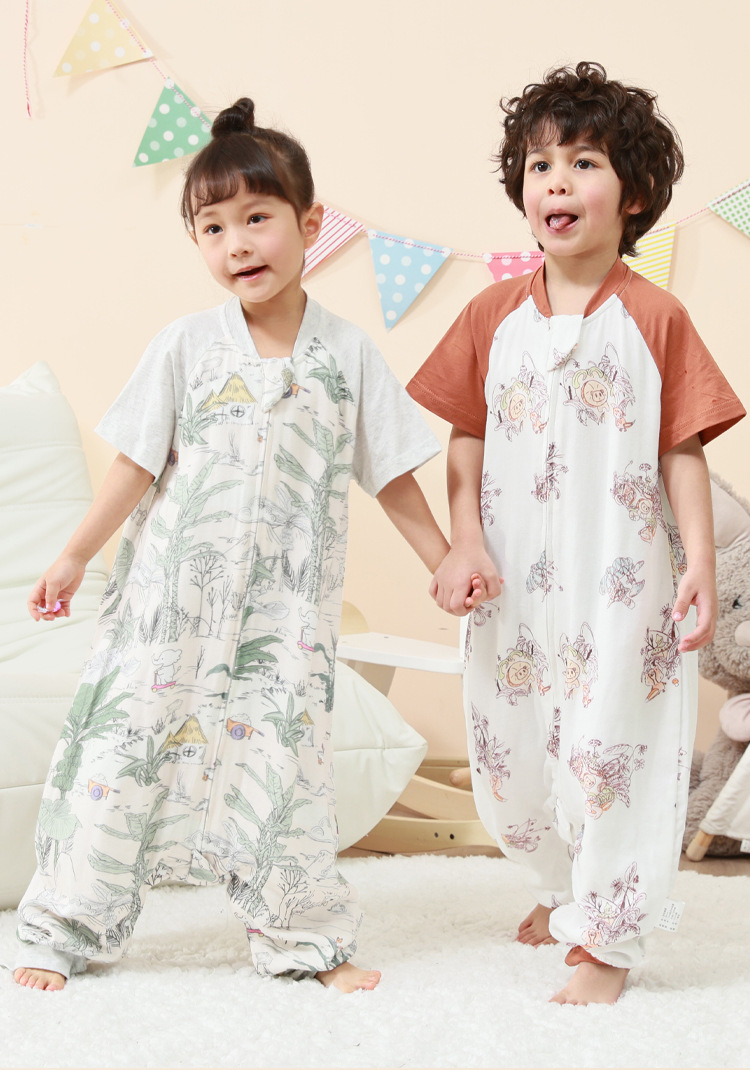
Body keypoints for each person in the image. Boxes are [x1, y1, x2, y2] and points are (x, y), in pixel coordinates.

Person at [14, 97, 479, 994]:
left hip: (285, 619)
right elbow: (134, 464)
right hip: (168, 608)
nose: (237, 244)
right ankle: (62, 927)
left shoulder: (347, 355)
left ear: (309, 223)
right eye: (213, 228)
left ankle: (304, 938)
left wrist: (446, 559)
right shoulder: (186, 346)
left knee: (285, 771)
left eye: (257, 218)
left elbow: (391, 476)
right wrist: (74, 555)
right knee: (118, 759)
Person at [407, 62, 745, 1005]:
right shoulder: (490, 315)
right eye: (540, 165)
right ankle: (560, 885)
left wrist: (700, 560)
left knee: (612, 751)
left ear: (632, 196)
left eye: (583, 162)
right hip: (513, 582)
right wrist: (463, 541)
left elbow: (682, 447)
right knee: (509, 762)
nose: (556, 181)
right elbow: (465, 438)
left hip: (621, 581)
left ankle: (608, 936)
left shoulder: (655, 316)